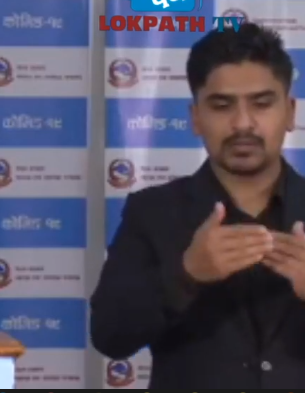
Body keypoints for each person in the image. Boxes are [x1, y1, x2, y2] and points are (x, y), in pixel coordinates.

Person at [90, 22, 305, 388]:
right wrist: (186, 275)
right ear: (195, 118)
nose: (242, 123)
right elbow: (109, 336)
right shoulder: (153, 212)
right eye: (222, 105)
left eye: (261, 103)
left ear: (289, 112)